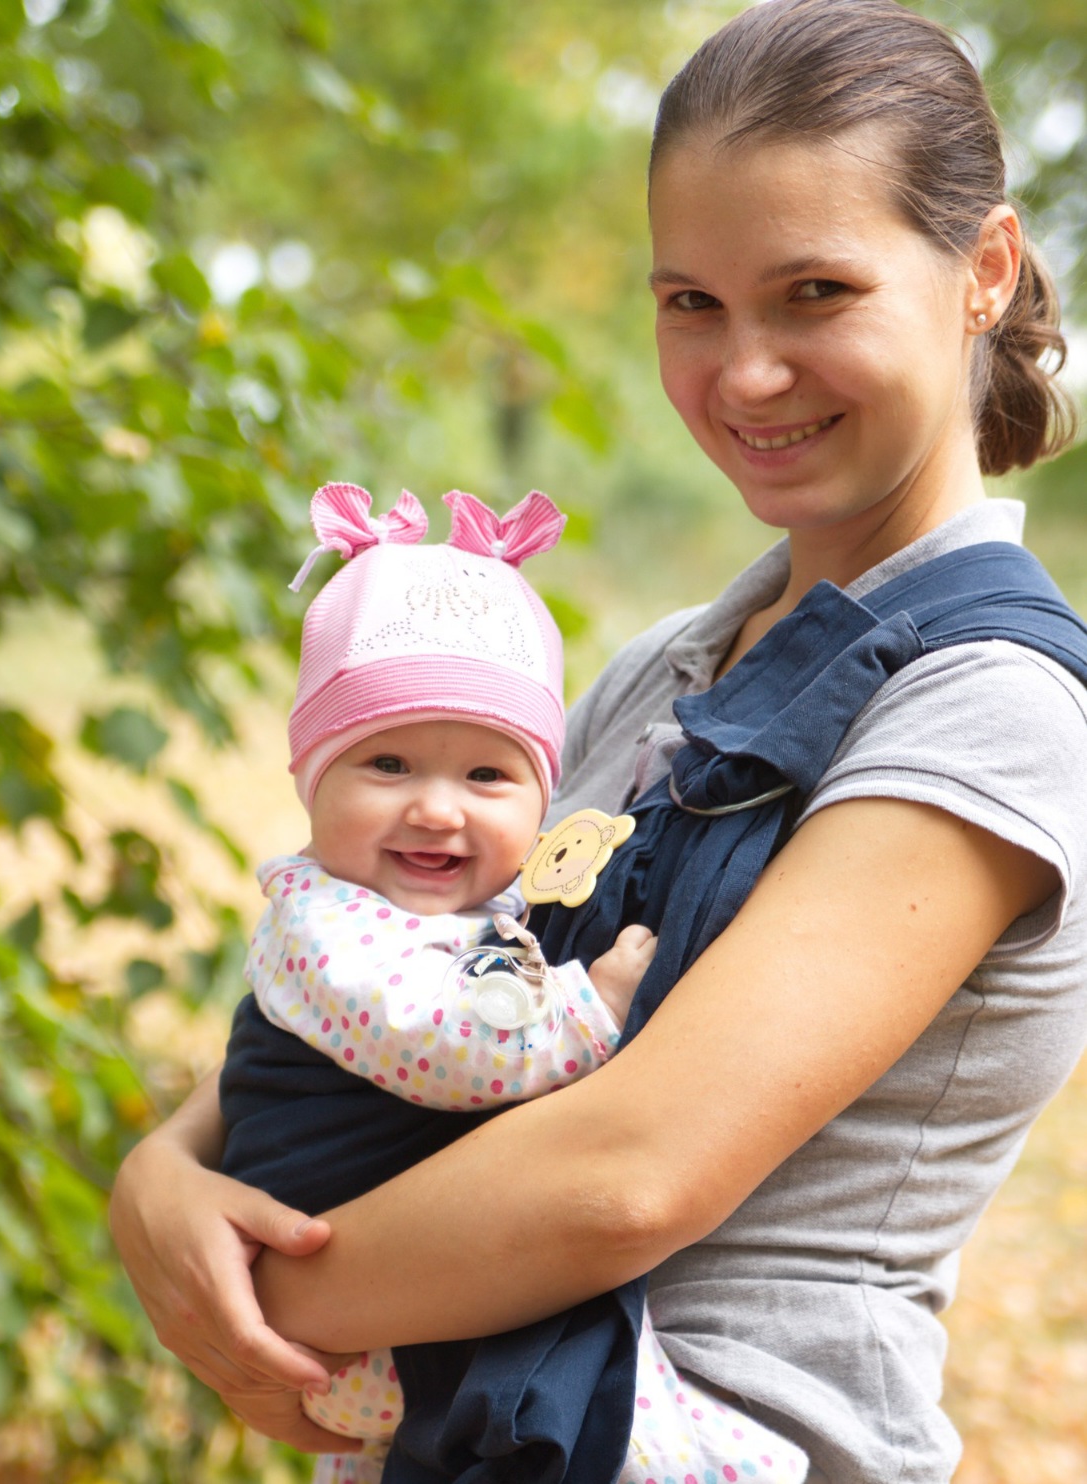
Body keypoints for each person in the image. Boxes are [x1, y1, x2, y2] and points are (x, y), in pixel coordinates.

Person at [108, 1, 1087, 1480]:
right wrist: (161, 1181)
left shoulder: (992, 706)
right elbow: (404, 966)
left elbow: (627, 1178)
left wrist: (240, 1292)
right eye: (689, 302)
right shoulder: (657, 669)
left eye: (811, 291)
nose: (741, 372)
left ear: (982, 272)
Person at [215, 479, 808, 1484]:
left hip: (383, 1290)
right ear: (308, 780)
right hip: (355, 1312)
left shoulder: (459, 913)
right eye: (388, 763)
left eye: (486, 777)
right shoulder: (322, 921)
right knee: (581, 1363)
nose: (437, 810)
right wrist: (594, 1000)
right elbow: (438, 1042)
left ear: (544, 791)